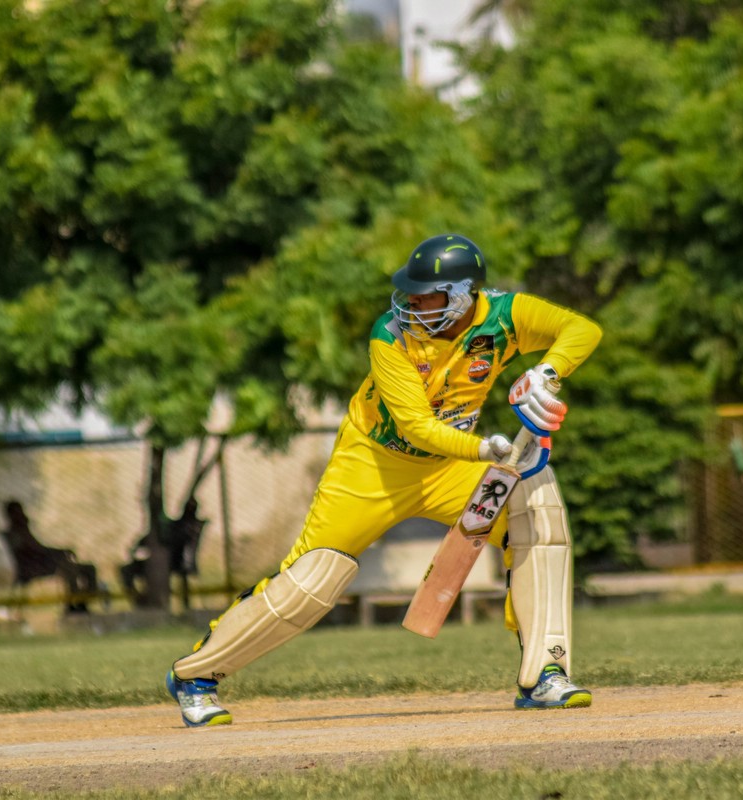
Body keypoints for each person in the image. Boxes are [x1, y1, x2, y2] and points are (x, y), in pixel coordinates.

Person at [165, 233, 602, 727]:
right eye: (409, 292)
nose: (411, 302)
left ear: (462, 294)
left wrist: (547, 372)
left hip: (447, 469)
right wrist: (487, 450)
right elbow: (417, 427)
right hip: (373, 465)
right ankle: (194, 677)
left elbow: (581, 329)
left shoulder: (506, 315)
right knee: (313, 579)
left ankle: (545, 674)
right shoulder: (390, 336)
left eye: (425, 295)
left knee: (537, 505)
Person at [0, 500, 100, 615]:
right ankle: (73, 606)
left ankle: (83, 602)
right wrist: (62, 552)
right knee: (69, 569)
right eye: (19, 512)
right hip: (33, 568)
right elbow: (36, 550)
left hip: (43, 564)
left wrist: (60, 553)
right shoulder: (16, 533)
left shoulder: (22, 530)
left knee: (88, 568)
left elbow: (39, 549)